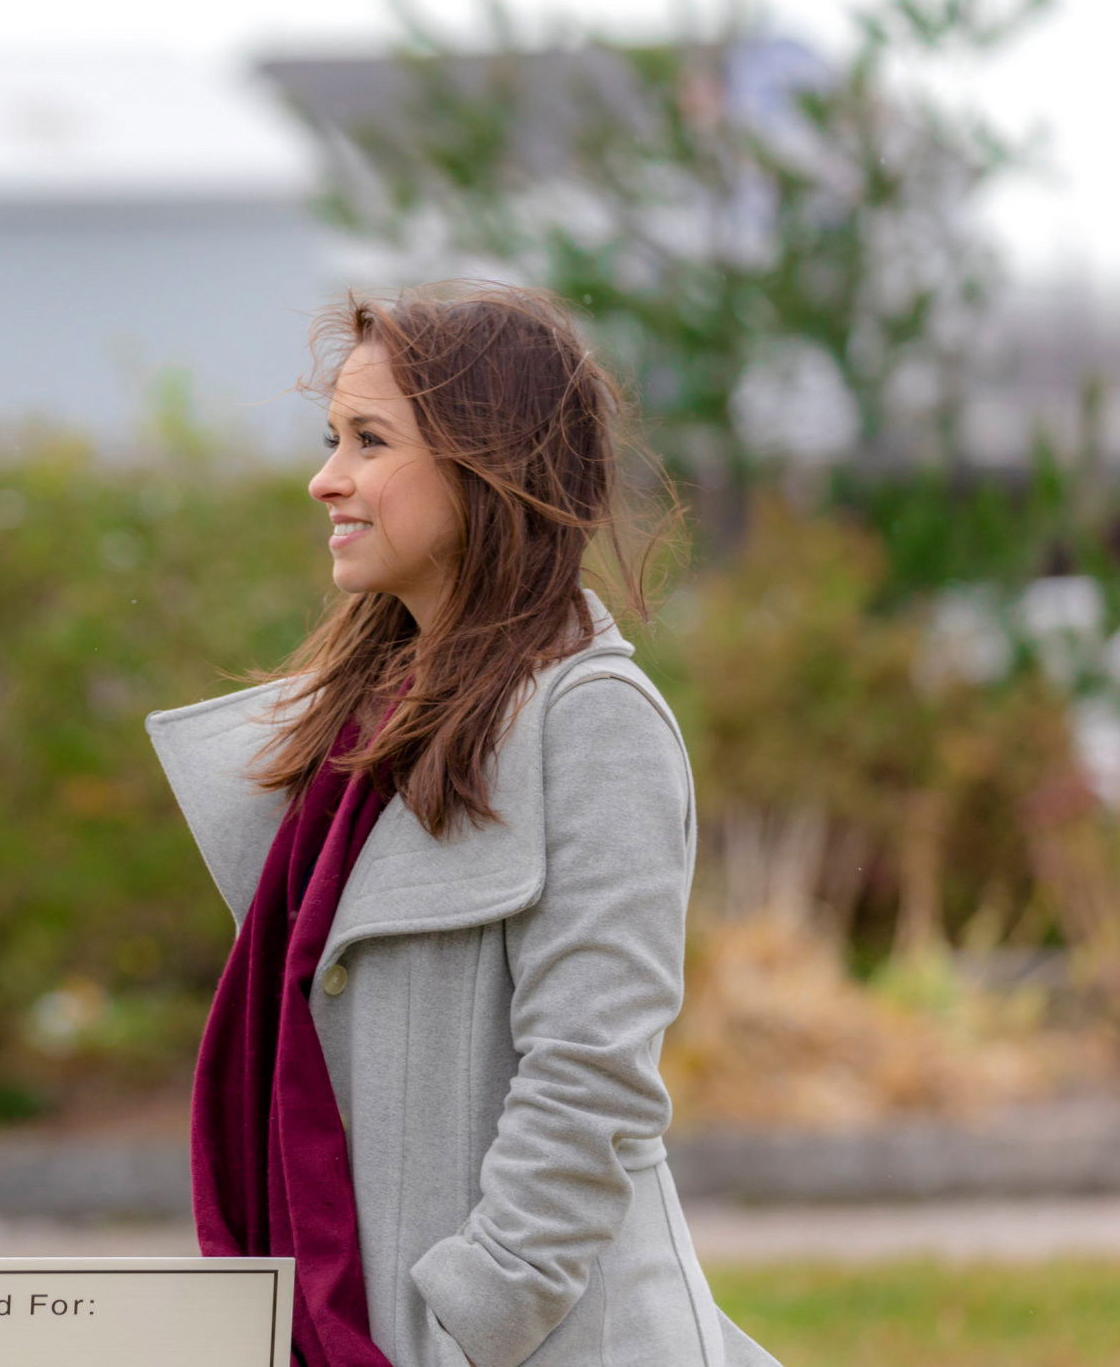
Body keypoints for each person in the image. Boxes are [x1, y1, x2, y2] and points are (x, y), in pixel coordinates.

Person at [150, 283, 779, 1367]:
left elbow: (591, 1075)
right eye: (332, 439)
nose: (325, 478)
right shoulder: (364, 738)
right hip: (360, 1325)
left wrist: (473, 1318)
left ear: (486, 462)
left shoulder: (590, 719)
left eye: (370, 441)